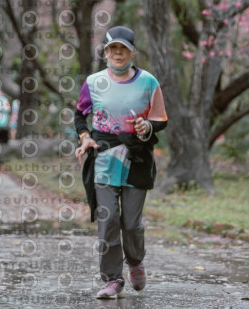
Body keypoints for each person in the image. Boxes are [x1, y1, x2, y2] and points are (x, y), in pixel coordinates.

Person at [74, 25, 167, 299]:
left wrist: (146, 127)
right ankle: (112, 279)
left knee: (131, 223)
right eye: (112, 48)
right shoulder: (93, 82)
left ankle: (135, 261)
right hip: (104, 158)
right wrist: (85, 137)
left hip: (136, 158)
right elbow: (79, 115)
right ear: (105, 52)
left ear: (132, 52)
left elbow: (160, 119)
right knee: (108, 220)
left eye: (123, 49)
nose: (117, 53)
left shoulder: (148, 82)